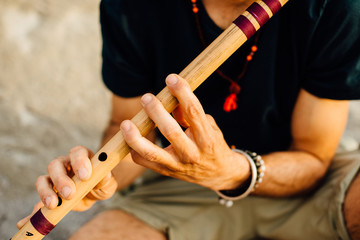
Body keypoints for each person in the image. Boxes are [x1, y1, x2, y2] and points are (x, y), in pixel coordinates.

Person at [17, 0, 360, 239]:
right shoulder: (130, 6)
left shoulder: (334, 6)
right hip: (175, 185)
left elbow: (314, 157)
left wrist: (231, 170)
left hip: (297, 179)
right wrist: (96, 179)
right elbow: (129, 127)